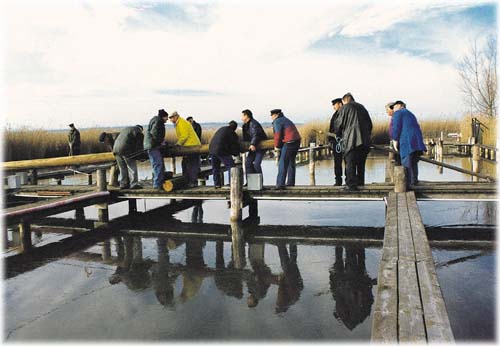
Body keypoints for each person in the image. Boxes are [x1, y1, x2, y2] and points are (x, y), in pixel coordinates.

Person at [334, 93, 372, 190]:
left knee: (350, 162)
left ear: (345, 100)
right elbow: (370, 125)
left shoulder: (345, 108)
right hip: (365, 141)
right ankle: (360, 182)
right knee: (361, 163)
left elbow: (338, 125)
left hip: (351, 140)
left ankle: (351, 185)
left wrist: (338, 134)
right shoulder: (362, 108)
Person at [390, 100, 427, 189]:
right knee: (414, 163)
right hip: (417, 142)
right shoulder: (411, 114)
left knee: (406, 163)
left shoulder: (398, 113)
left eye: (394, 107)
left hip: (407, 142)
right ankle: (414, 181)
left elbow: (396, 127)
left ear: (400, 105)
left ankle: (407, 184)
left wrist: (395, 140)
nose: (393, 109)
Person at [169, 111, 202, 187]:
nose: (170, 120)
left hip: (192, 146)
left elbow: (184, 136)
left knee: (191, 164)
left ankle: (193, 182)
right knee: (185, 163)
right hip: (188, 147)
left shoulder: (182, 123)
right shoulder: (178, 123)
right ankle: (187, 181)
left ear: (175, 116)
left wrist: (178, 144)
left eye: (171, 118)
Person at [271, 109, 301, 189]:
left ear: (276, 115)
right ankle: (290, 182)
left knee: (283, 162)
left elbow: (277, 135)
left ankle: (280, 184)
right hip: (297, 141)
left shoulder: (277, 121)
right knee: (291, 161)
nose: (271, 117)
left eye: (272, 115)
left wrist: (276, 146)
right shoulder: (285, 119)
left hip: (289, 142)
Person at [208, 121, 240, 188]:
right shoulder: (232, 133)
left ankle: (217, 184)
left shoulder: (221, 129)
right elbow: (233, 145)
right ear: (235, 128)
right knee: (231, 167)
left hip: (212, 150)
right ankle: (232, 184)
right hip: (221, 150)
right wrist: (236, 153)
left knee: (215, 168)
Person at [113, 125, 144, 189]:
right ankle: (134, 184)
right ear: (140, 129)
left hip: (115, 149)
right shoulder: (138, 130)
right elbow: (139, 144)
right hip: (126, 150)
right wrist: (140, 154)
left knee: (122, 168)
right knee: (132, 167)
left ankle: (123, 184)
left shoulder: (126, 129)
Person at [144, 109, 169, 190]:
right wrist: (160, 142)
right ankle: (157, 184)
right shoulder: (158, 122)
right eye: (166, 117)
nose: (167, 119)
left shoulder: (156, 120)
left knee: (157, 164)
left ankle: (158, 183)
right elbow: (155, 134)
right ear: (163, 117)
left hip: (152, 145)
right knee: (158, 164)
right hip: (153, 146)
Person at [241, 109, 268, 177]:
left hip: (260, 146)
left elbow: (256, 134)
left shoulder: (254, 123)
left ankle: (259, 182)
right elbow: (246, 138)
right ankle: (250, 182)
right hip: (253, 146)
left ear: (246, 116)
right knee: (248, 163)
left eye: (242, 116)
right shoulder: (245, 125)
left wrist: (253, 144)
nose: (241, 117)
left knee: (256, 164)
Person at [328, 98, 344, 186]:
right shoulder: (335, 115)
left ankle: (346, 179)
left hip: (342, 140)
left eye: (334, 104)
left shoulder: (343, 113)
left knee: (345, 161)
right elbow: (331, 128)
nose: (333, 107)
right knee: (337, 162)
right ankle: (338, 180)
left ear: (340, 104)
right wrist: (330, 140)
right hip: (335, 141)